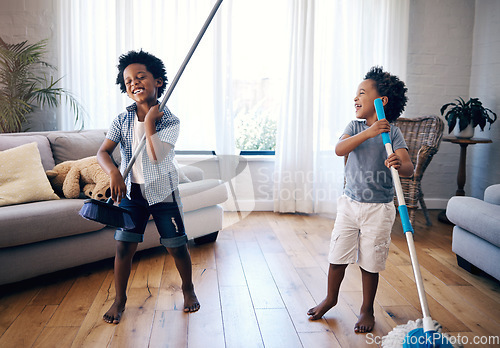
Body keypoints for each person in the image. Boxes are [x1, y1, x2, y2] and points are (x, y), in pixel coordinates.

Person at [307, 66, 413, 333]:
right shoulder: (354, 126)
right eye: (356, 93)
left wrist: (398, 162)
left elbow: (410, 168)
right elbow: (339, 148)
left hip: (379, 208)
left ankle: (366, 308)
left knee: (371, 260)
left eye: (362, 93)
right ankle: (331, 298)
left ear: (381, 101)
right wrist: (369, 132)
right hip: (350, 203)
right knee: (338, 254)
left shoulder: (393, 133)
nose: (355, 98)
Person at [97, 50, 200, 324]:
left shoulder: (169, 120)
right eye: (128, 80)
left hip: (163, 193)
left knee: (177, 246)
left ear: (159, 81)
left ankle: (188, 288)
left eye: (140, 76)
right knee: (123, 247)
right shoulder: (122, 120)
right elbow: (103, 152)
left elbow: (156, 155)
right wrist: (114, 174)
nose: (134, 82)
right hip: (133, 194)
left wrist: (151, 123)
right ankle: (119, 300)